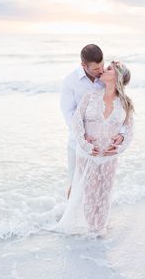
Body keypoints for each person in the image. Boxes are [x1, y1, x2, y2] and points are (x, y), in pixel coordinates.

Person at [53, 61, 135, 238]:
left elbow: (129, 130)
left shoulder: (125, 103)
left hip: (109, 157)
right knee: (89, 193)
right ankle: (92, 231)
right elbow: (76, 121)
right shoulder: (90, 96)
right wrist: (86, 144)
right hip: (88, 155)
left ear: (117, 76)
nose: (103, 70)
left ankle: (100, 230)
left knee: (104, 194)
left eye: (108, 69)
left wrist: (119, 146)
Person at [60, 44, 126, 200]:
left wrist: (122, 133)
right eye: (96, 69)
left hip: (103, 144)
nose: (101, 70)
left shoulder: (105, 79)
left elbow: (120, 108)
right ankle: (70, 216)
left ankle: (96, 218)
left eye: (102, 65)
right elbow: (68, 113)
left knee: (100, 185)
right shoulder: (70, 81)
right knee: (75, 181)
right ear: (83, 65)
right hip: (77, 143)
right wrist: (82, 136)